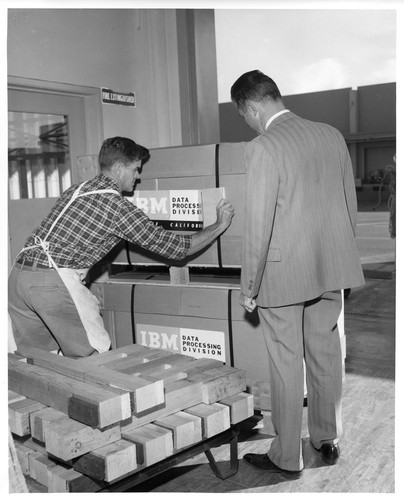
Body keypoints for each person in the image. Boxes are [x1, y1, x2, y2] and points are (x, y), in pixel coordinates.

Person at [231, 70, 364, 479]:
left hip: (283, 277)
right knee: (325, 354)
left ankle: (287, 455)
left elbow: (258, 225)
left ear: (252, 107)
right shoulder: (331, 135)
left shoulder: (264, 147)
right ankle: (327, 439)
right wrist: (343, 257)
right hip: (331, 268)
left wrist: (248, 286)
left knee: (287, 365)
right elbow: (349, 205)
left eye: (246, 116)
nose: (250, 123)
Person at [8, 136, 235, 358]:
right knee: (94, 354)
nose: (137, 177)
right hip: (50, 282)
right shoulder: (116, 207)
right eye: (135, 169)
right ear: (118, 168)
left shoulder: (77, 190)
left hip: (18, 276)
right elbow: (176, 248)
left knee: (39, 357)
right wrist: (218, 225)